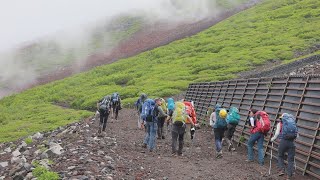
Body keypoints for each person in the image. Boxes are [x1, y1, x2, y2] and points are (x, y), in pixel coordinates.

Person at [271, 113, 298, 179]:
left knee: (280, 156)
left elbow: (277, 133)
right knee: (290, 159)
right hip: (291, 143)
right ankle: (289, 175)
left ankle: (282, 170)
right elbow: (297, 135)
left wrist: (272, 139)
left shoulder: (280, 124)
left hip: (283, 141)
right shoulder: (293, 124)